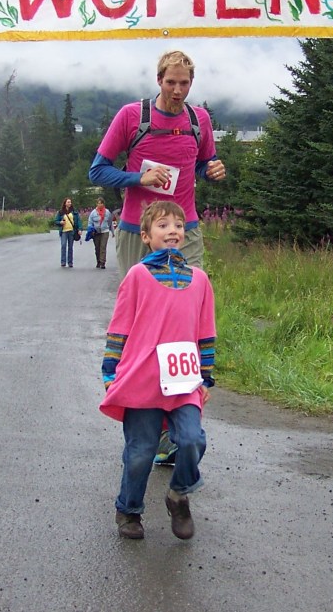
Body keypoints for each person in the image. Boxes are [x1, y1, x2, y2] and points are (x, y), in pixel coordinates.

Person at [99, 200, 216, 540]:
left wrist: (206, 375)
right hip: (142, 379)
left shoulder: (199, 280)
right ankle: (129, 510)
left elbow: (205, 331)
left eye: (178, 225)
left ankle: (178, 495)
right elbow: (119, 328)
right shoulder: (137, 276)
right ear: (146, 236)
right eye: (163, 225)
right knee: (140, 453)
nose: (173, 231)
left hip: (184, 381)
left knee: (193, 440)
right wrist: (110, 373)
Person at [88, 49, 226, 276]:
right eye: (171, 82)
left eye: (184, 83)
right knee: (139, 306)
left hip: (184, 231)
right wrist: (139, 178)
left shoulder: (199, 119)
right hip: (138, 230)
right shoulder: (131, 116)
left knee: (186, 303)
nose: (177, 90)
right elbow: (97, 171)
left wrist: (212, 170)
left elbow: (202, 164)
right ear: (159, 80)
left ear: (192, 83)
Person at [86, 197, 115, 269]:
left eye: (101, 203)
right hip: (96, 232)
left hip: (105, 231)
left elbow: (110, 222)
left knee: (103, 247)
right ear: (97, 204)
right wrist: (90, 230)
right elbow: (90, 222)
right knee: (97, 247)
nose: (100, 204)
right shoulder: (93, 213)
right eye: (98, 203)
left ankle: (102, 262)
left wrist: (112, 232)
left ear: (103, 204)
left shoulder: (107, 212)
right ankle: (98, 261)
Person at [52, 197, 81, 268]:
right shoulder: (61, 212)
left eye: (70, 202)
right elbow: (56, 221)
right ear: (65, 203)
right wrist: (60, 222)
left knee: (70, 247)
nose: (69, 203)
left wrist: (80, 229)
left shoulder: (74, 212)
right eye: (68, 202)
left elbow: (78, 221)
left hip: (72, 231)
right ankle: (63, 262)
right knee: (63, 245)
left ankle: (70, 262)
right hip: (64, 231)